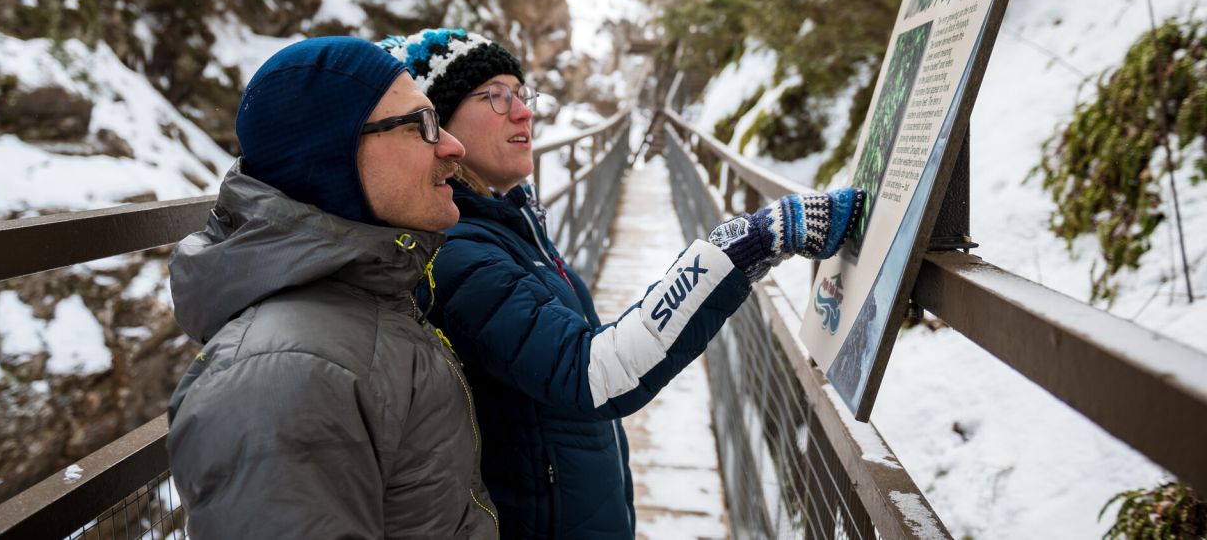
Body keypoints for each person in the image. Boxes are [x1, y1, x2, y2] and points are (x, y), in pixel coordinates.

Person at [379, 28, 865, 539]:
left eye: (523, 95)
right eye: (497, 97)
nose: (523, 112)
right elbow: (594, 371)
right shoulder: (457, 254)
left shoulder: (508, 222)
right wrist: (747, 244)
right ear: (439, 125)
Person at [164, 36, 500, 539]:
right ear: (330, 157)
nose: (453, 146)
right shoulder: (284, 376)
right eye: (423, 126)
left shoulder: (369, 299)